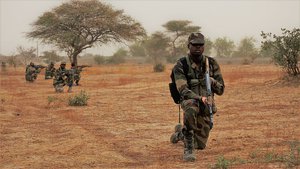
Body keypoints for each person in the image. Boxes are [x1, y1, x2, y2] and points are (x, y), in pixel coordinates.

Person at [172, 32, 225, 162]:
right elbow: (182, 90)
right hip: (190, 101)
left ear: (204, 47)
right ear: (188, 45)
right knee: (191, 107)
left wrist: (212, 82)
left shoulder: (211, 63)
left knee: (200, 146)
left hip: (207, 106)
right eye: (194, 45)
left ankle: (181, 134)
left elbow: (221, 90)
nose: (198, 47)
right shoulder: (181, 64)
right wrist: (199, 98)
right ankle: (188, 149)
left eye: (201, 45)